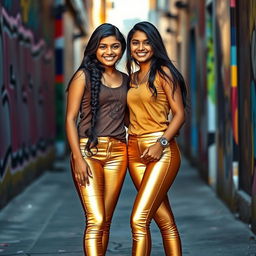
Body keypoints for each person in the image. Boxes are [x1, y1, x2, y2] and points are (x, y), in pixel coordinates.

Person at [65, 23, 128, 256]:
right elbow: (70, 119)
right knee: (96, 219)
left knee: (107, 220)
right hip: (87, 153)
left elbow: (130, 118)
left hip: (118, 154)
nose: (109, 51)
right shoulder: (82, 76)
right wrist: (77, 158)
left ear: (121, 49)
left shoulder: (126, 79)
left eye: (115, 46)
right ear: (94, 49)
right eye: (103, 47)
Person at [126, 21, 187, 256]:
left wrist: (160, 143)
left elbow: (179, 114)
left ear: (155, 45)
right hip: (134, 151)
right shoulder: (131, 78)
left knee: (138, 220)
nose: (141, 47)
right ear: (129, 47)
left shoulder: (163, 73)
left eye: (146, 42)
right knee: (164, 220)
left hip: (161, 151)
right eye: (135, 43)